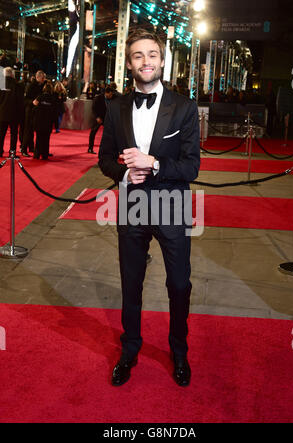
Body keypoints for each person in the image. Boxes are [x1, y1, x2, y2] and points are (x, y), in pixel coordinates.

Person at [98, 29, 200, 387]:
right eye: (139, 55)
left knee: (178, 283)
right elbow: (105, 158)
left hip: (171, 203)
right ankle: (129, 349)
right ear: (129, 64)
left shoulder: (184, 108)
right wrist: (125, 173)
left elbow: (191, 167)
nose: (146, 61)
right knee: (131, 282)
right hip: (133, 204)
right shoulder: (115, 107)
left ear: (162, 60)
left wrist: (153, 162)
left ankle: (179, 351)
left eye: (153, 54)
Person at [21, 70, 47, 156]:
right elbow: (25, 100)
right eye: (43, 78)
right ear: (38, 77)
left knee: (34, 130)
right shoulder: (31, 86)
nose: (44, 79)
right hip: (30, 110)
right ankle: (24, 149)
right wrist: (32, 102)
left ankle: (32, 147)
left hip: (38, 111)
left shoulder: (43, 85)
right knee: (28, 130)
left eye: (44, 78)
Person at [0, 67, 24, 157]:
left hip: (2, 113)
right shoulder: (17, 85)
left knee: (1, 134)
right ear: (12, 74)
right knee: (13, 134)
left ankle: (0, 151)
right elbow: (20, 101)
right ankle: (12, 152)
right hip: (14, 114)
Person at [88, 86, 115, 154]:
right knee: (93, 132)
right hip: (98, 118)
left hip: (107, 118)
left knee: (109, 134)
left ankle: (107, 149)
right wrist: (97, 117)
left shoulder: (112, 99)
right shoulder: (98, 98)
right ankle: (90, 148)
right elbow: (93, 108)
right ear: (106, 93)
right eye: (110, 94)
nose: (111, 96)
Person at [32, 81, 55, 160]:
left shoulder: (40, 96)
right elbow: (54, 110)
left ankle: (37, 154)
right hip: (48, 121)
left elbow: (34, 103)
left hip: (39, 120)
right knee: (46, 138)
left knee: (39, 138)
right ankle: (45, 155)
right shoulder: (52, 99)